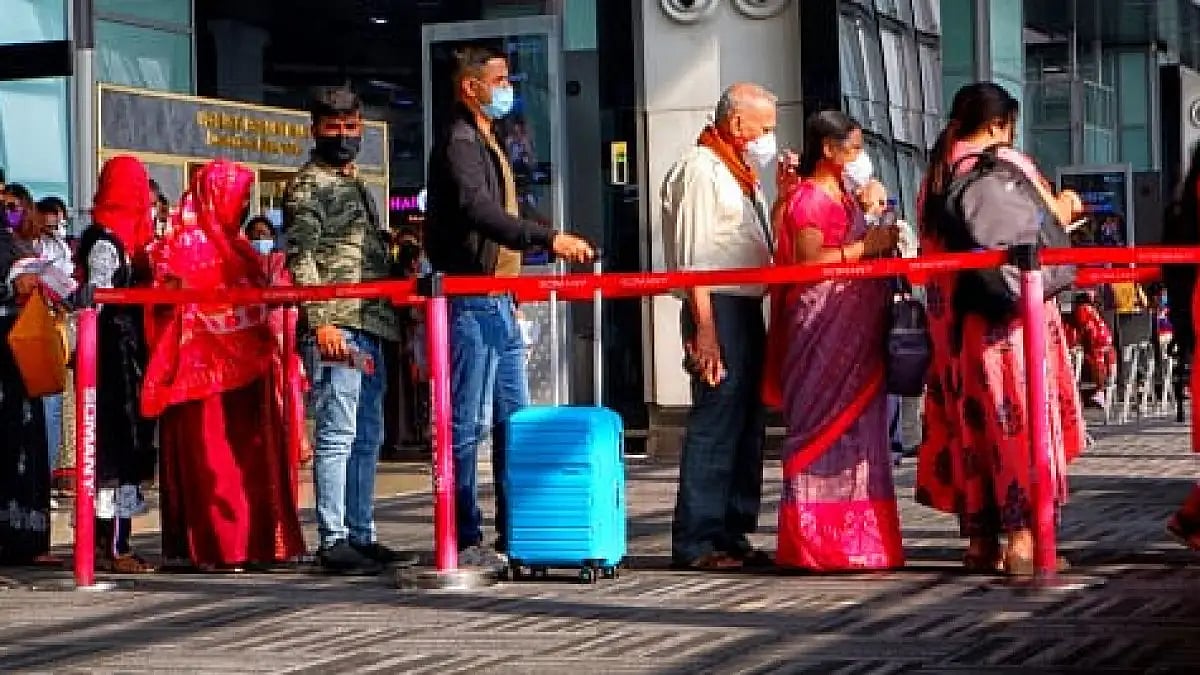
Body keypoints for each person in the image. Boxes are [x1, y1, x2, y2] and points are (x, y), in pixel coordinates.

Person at [424, 46, 595, 568]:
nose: (507, 89)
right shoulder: (458, 141)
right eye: (498, 80)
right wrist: (546, 239)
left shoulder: (489, 138)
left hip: (499, 296)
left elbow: (508, 207)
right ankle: (462, 536)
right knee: (467, 422)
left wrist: (550, 234)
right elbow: (478, 210)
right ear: (470, 86)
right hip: (471, 295)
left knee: (513, 420)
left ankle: (516, 530)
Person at [914, 82, 1086, 576]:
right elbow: (1050, 220)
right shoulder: (1007, 163)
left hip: (955, 325)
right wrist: (1069, 203)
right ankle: (1024, 541)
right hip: (1010, 317)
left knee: (971, 423)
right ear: (997, 124)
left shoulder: (936, 174)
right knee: (1018, 417)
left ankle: (981, 541)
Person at [143, 160, 306, 571]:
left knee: (248, 465)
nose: (242, 207)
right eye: (238, 198)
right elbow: (164, 306)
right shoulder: (181, 246)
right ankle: (220, 547)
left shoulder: (240, 248)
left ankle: (256, 545)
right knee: (213, 466)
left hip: (247, 374)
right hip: (200, 378)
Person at [761, 110, 904, 571]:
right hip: (821, 328)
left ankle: (861, 542)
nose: (859, 156)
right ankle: (815, 545)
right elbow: (808, 261)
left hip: (857, 333)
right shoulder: (808, 198)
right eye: (854, 147)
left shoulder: (844, 193)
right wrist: (866, 248)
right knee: (820, 430)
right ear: (828, 148)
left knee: (862, 434)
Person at [286, 87, 407, 575]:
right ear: (315, 129)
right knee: (338, 432)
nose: (343, 135)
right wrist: (321, 320)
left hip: (370, 320)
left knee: (367, 434)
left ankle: (361, 532)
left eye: (351, 127)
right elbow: (301, 257)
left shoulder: (351, 180)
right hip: (339, 324)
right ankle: (334, 537)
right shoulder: (309, 186)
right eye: (333, 127)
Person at [660, 83, 776, 571]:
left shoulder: (740, 172)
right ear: (737, 123)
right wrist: (704, 329)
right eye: (764, 128)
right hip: (716, 307)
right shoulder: (701, 169)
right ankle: (698, 538)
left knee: (747, 420)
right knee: (717, 417)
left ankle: (732, 528)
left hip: (745, 305)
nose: (768, 138)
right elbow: (696, 258)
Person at [75, 155, 160, 573]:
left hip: (122, 356)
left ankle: (108, 542)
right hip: (110, 360)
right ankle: (113, 546)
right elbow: (98, 300)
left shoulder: (124, 240)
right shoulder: (105, 241)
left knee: (121, 446)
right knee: (112, 448)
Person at [0, 204, 51, 566]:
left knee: (22, 438)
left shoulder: (12, 240)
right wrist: (8, 286)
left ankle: (22, 536)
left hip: (18, 352)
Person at [1067, 291, 1117, 408]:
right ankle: (1104, 391)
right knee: (1104, 364)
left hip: (1095, 341)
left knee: (1095, 363)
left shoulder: (1082, 309)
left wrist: (1078, 342)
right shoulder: (1093, 310)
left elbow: (1085, 327)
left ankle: (1100, 391)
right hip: (1105, 339)